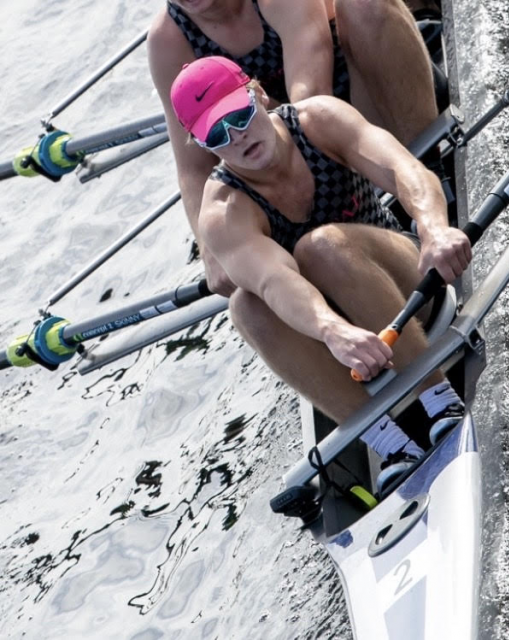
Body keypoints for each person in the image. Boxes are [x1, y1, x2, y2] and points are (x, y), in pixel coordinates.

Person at [169, 56, 471, 492]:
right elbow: (275, 281)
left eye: (238, 115)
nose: (237, 137)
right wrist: (332, 330)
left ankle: (438, 399)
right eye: (217, 133)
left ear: (257, 94)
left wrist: (435, 229)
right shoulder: (222, 212)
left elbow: (404, 170)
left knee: (320, 248)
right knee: (246, 307)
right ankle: (388, 439)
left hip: (408, 287)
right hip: (339, 343)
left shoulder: (318, 121)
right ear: (199, 143)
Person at [148, 0, 441, 296]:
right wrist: (212, 248)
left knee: (363, 4)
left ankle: (433, 171)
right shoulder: (167, 40)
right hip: (290, 154)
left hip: (365, 108)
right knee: (245, 307)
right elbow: (193, 166)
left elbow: (310, 101)